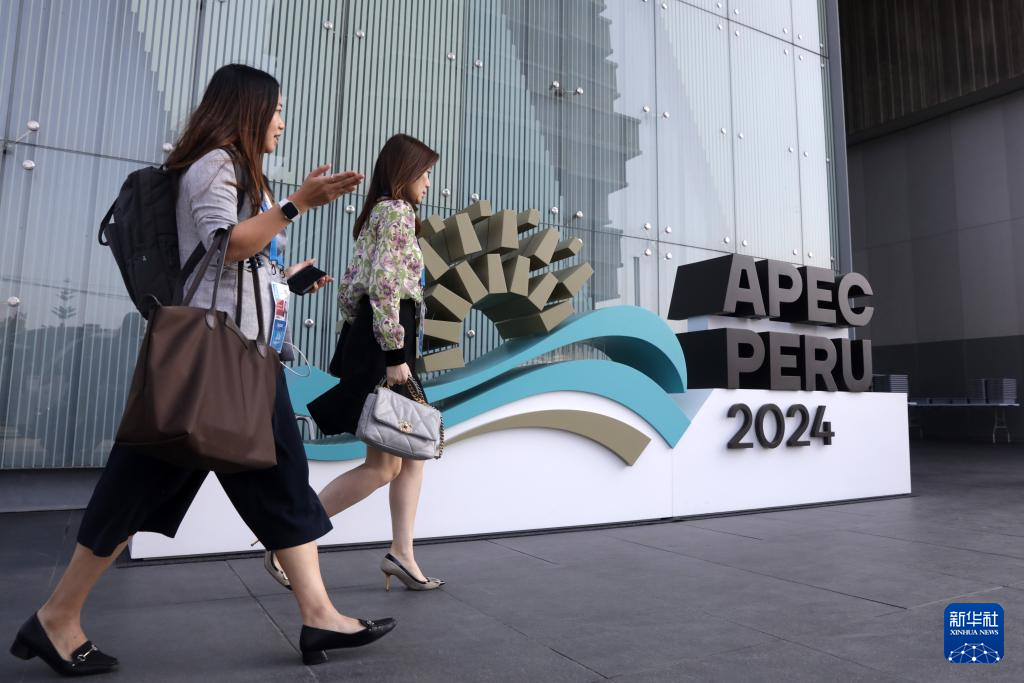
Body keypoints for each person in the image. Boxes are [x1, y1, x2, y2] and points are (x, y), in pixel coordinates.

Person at [9, 64, 395, 677]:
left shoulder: (239, 173)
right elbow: (225, 243)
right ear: (248, 111)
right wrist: (297, 204)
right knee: (143, 491)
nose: (282, 122)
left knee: (276, 483)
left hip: (240, 362)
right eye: (276, 110)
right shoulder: (216, 164)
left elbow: (239, 264)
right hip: (215, 365)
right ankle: (56, 617)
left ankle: (319, 613)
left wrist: (288, 278)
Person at [264, 134, 444, 593]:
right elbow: (385, 287)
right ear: (406, 173)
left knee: (413, 450)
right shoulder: (397, 212)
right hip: (388, 344)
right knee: (385, 465)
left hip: (376, 338)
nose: (428, 183)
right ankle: (291, 538)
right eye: (425, 174)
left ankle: (401, 553)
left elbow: (349, 292)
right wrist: (395, 355)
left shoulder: (374, 216)